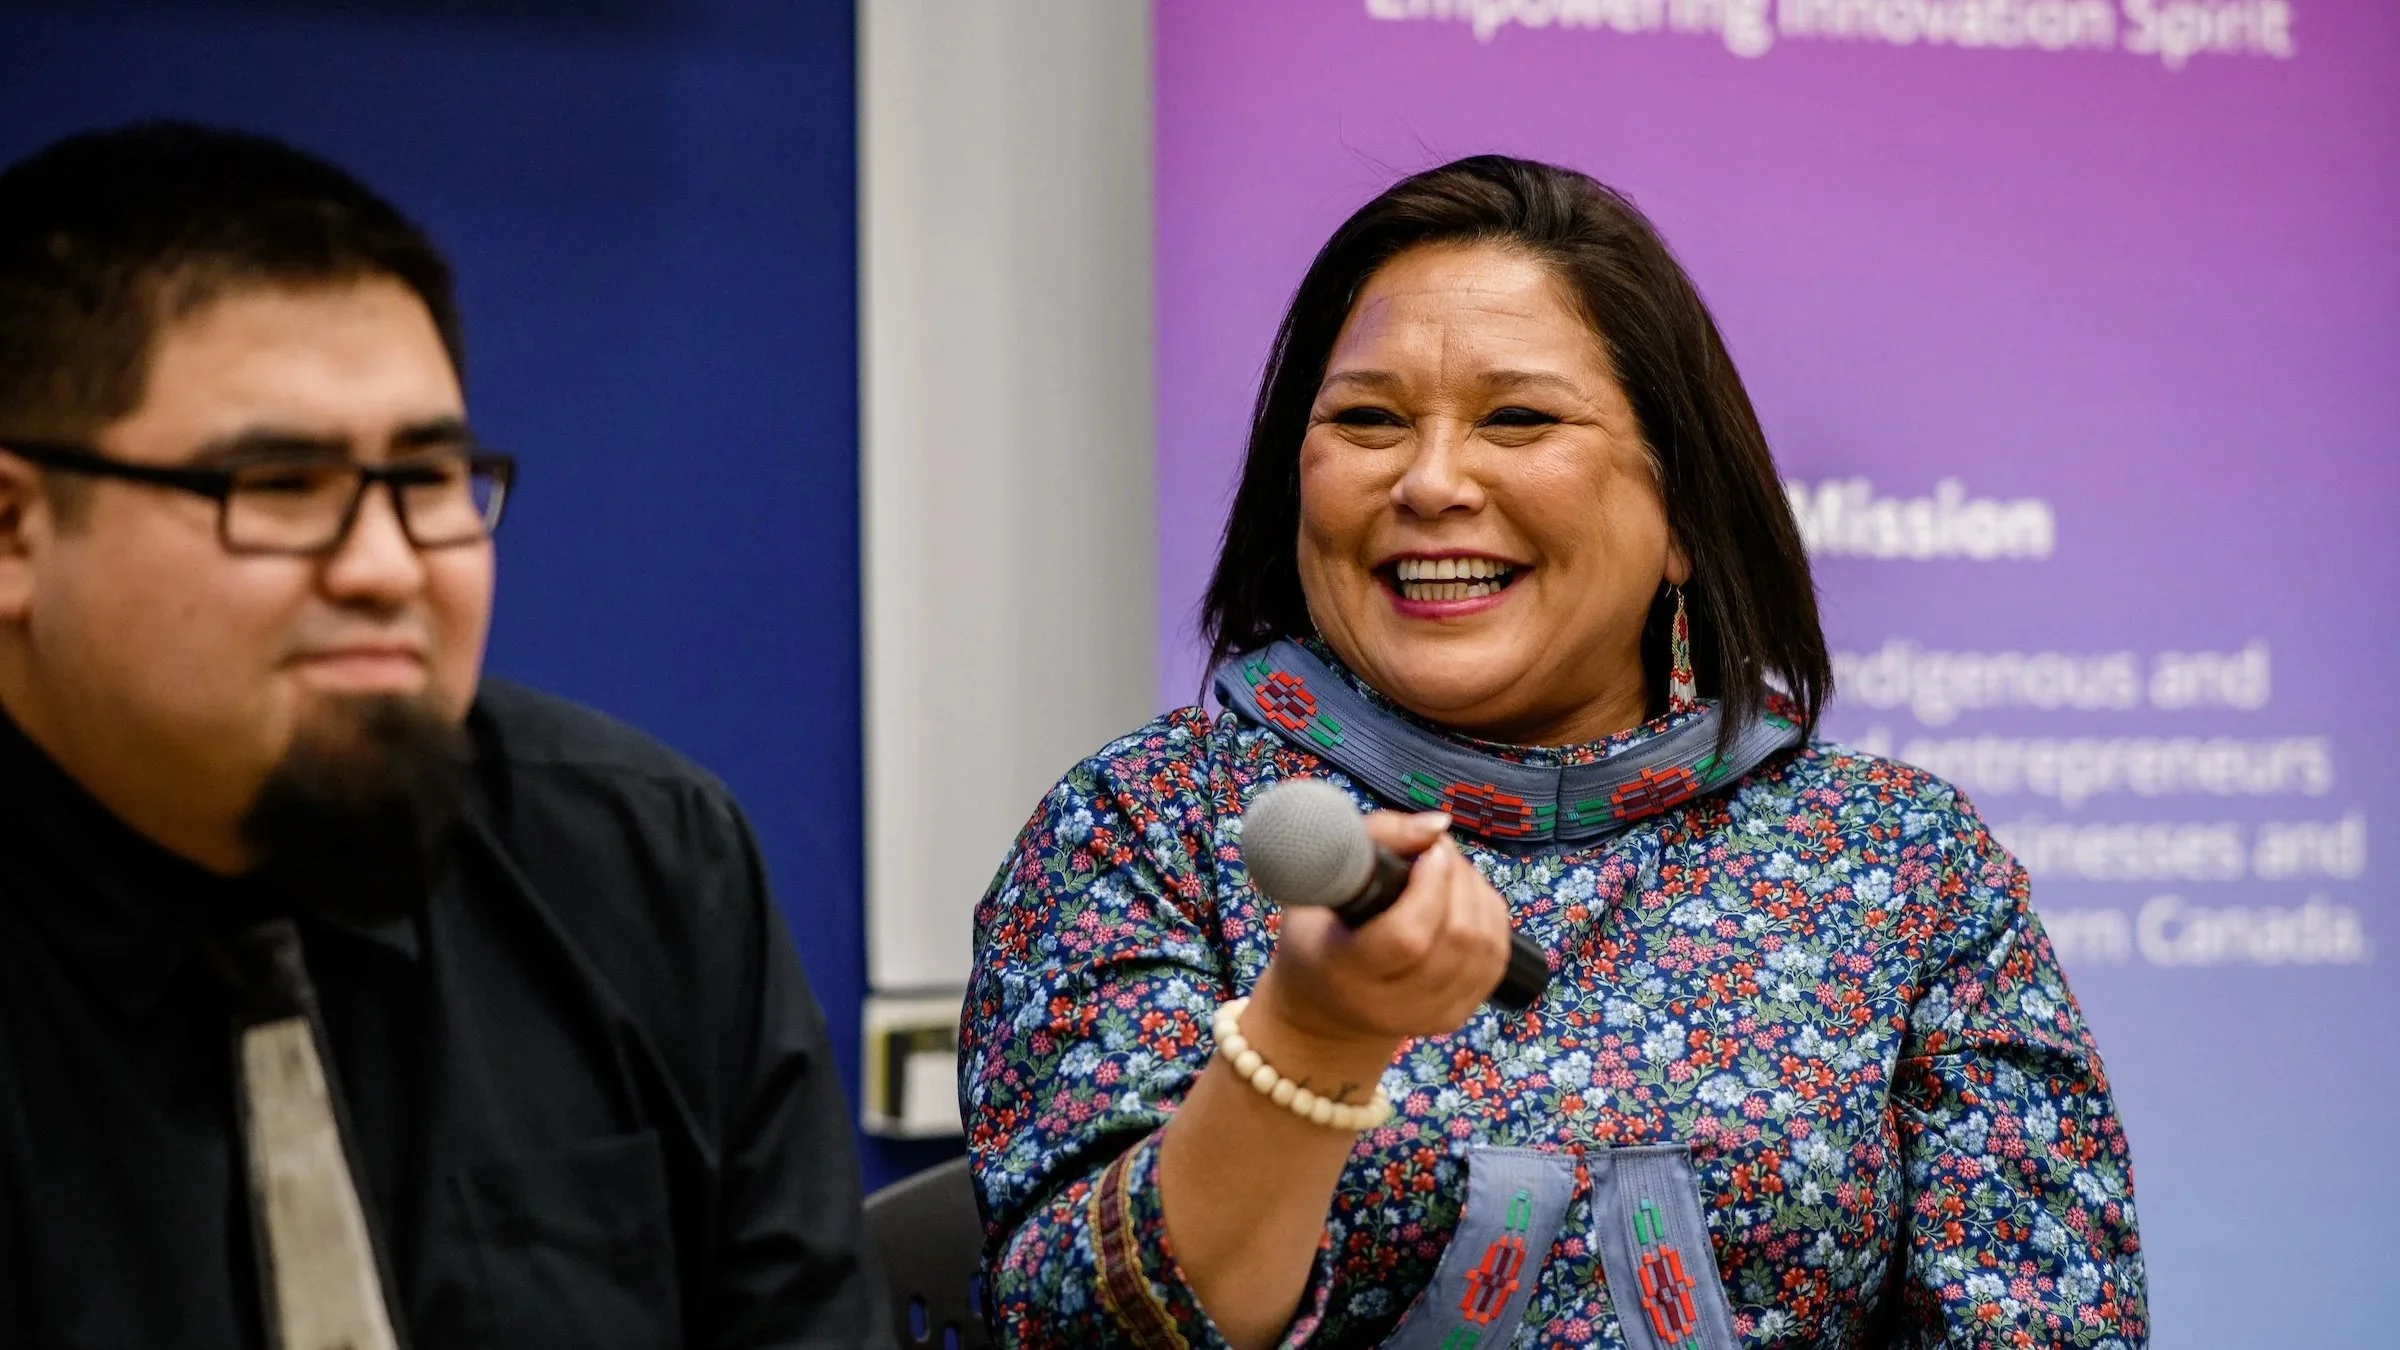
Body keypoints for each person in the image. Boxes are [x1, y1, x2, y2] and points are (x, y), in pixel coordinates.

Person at [960, 155, 2146, 1349]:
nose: (1430, 482)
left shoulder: (1897, 858)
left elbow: (2050, 1320)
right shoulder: (1142, 825)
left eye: (1517, 419)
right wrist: (1310, 1042)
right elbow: (1076, 1331)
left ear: (1682, 513)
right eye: (1368, 421)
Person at [0, 122, 889, 1349]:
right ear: (14, 531)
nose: (386, 568)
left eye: (425, 482)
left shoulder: (645, 866)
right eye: (278, 486)